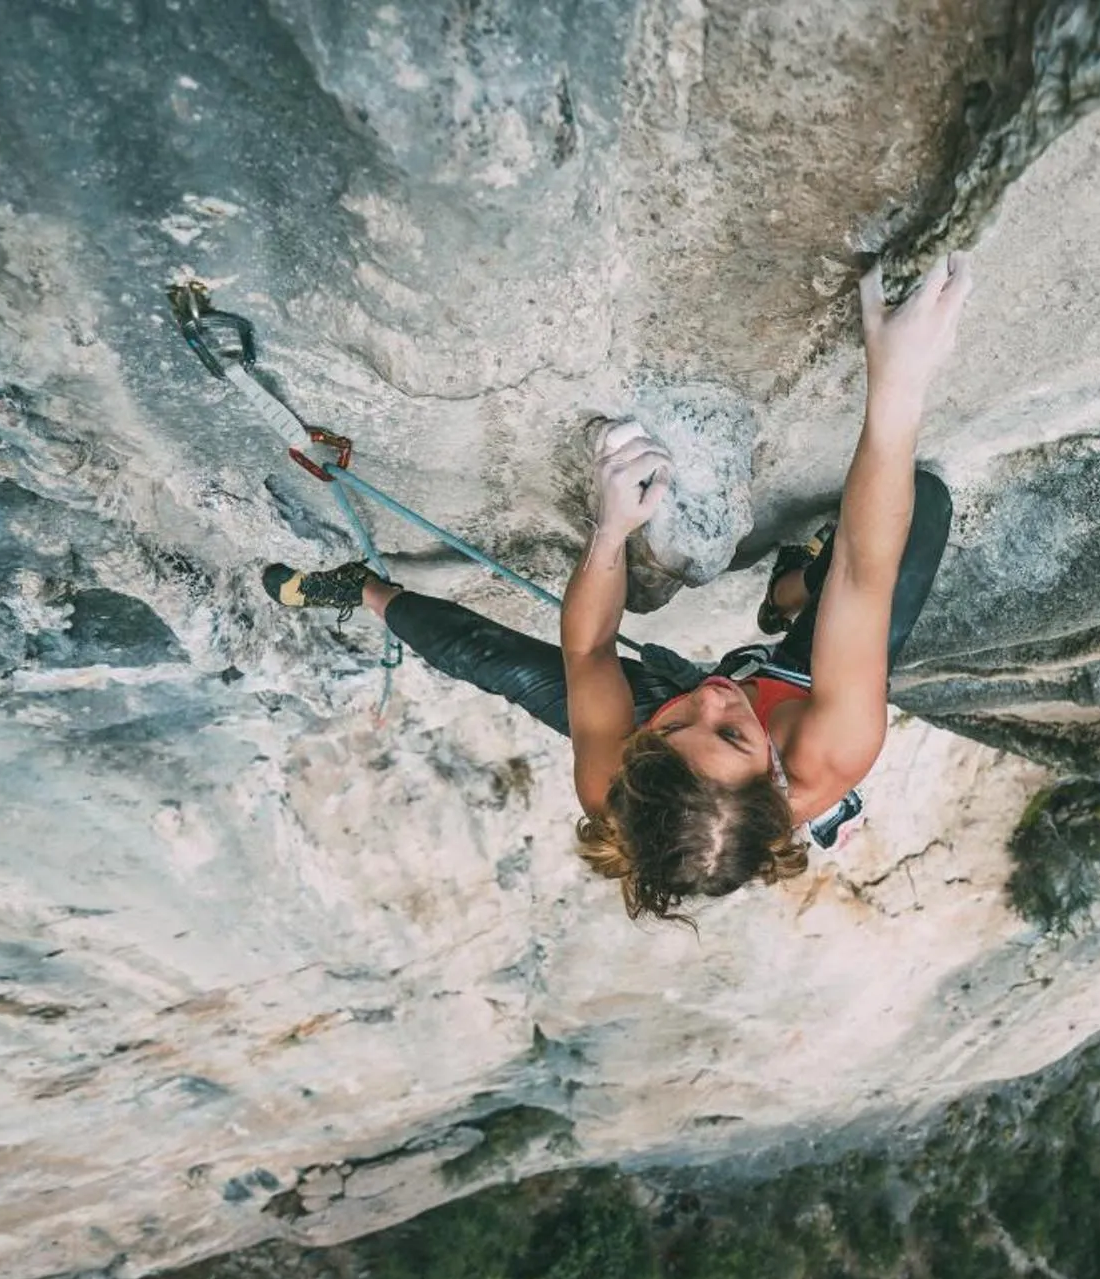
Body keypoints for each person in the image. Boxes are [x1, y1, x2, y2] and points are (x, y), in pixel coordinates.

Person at [260, 253, 974, 920]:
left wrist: (610, 530)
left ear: (640, 752)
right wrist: (898, 383)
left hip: (672, 721)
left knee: (493, 661)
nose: (709, 696)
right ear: (775, 782)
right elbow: (863, 568)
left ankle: (366, 593)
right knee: (924, 502)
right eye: (730, 734)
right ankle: (792, 592)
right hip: (794, 681)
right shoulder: (835, 747)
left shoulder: (615, 782)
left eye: (677, 726)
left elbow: (591, 649)